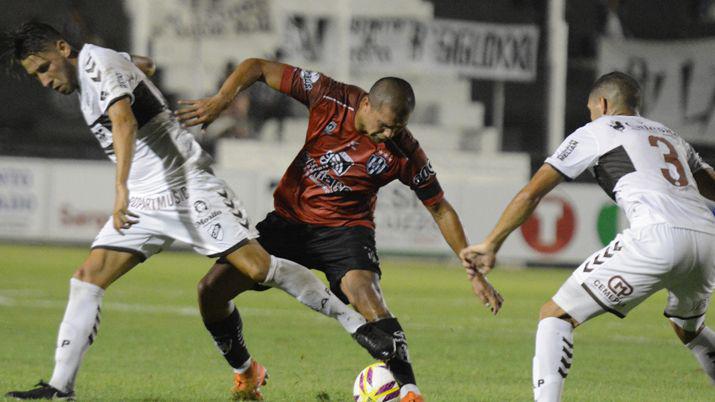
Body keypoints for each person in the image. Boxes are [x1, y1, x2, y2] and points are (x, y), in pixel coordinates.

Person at [1, 22, 395, 401]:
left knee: (258, 269)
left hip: (183, 184)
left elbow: (122, 121)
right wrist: (133, 71)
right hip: (144, 199)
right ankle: (60, 387)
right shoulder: (103, 64)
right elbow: (147, 66)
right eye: (36, 75)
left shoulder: (97, 64)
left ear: (63, 50)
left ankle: (354, 323)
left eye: (44, 68)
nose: (45, 80)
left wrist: (119, 191)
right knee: (87, 279)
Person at [177, 58, 504, 402]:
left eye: (399, 127)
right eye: (386, 124)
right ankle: (246, 373)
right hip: (289, 223)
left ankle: (409, 392)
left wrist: (472, 271)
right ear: (366, 103)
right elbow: (258, 67)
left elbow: (439, 207)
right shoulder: (329, 96)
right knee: (210, 291)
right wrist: (221, 99)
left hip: (346, 232)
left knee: (370, 299)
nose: (390, 134)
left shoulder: (404, 151)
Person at [460, 71, 715, 401]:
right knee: (688, 330)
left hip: (657, 236)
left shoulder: (597, 130)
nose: (590, 116)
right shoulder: (669, 135)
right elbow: (710, 182)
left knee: (555, 315)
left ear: (603, 104)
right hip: (708, 239)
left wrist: (492, 242)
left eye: (591, 109)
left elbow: (532, 193)